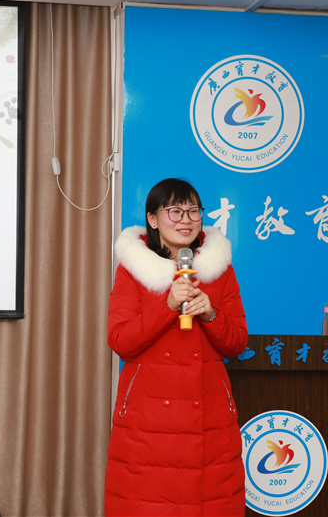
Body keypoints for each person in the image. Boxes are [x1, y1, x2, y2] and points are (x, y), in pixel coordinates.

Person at [104, 178, 249, 516]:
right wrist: (167, 305)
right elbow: (121, 341)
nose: (186, 220)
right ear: (153, 219)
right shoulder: (133, 271)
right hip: (148, 421)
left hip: (209, 417)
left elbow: (237, 343)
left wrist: (211, 315)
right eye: (175, 211)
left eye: (193, 211)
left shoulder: (219, 270)